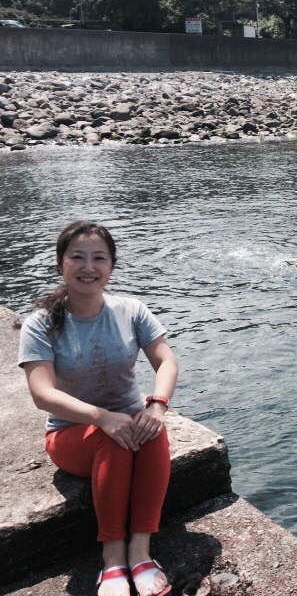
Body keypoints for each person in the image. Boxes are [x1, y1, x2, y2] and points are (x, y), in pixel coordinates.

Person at [17, 221, 177, 596]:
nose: (88, 267)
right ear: (61, 264)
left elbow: (166, 362)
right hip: (71, 434)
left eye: (99, 258)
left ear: (111, 266)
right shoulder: (40, 324)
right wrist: (101, 417)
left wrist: (157, 406)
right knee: (113, 438)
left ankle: (140, 552)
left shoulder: (131, 310)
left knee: (152, 431)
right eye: (77, 257)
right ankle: (113, 557)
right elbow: (42, 393)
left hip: (129, 422)